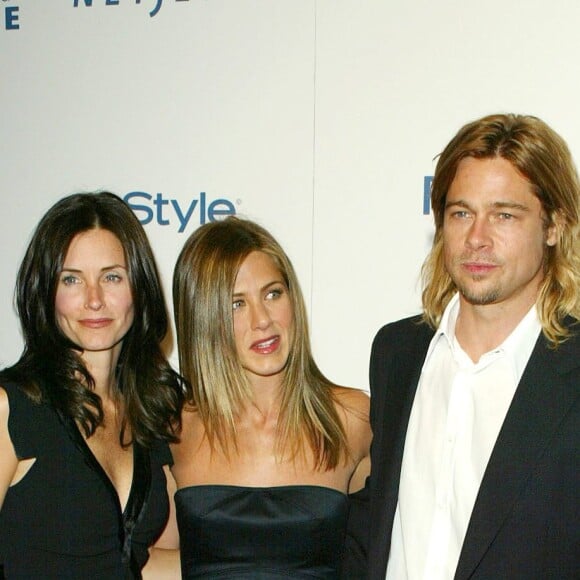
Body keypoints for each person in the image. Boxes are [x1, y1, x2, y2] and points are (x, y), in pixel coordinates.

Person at [344, 113, 580, 580]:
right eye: (461, 213)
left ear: (553, 226)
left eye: (504, 215)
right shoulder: (397, 352)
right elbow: (378, 522)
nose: (477, 238)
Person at [168, 216, 371, 579]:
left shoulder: (351, 419)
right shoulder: (176, 429)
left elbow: (386, 551)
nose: (262, 320)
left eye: (273, 293)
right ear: (203, 320)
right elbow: (152, 561)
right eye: (236, 304)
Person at [0, 191, 185, 579]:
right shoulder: (10, 407)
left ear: (139, 287)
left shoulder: (154, 415)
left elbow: (145, 563)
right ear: (46, 292)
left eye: (112, 277)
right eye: (72, 279)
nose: (94, 300)